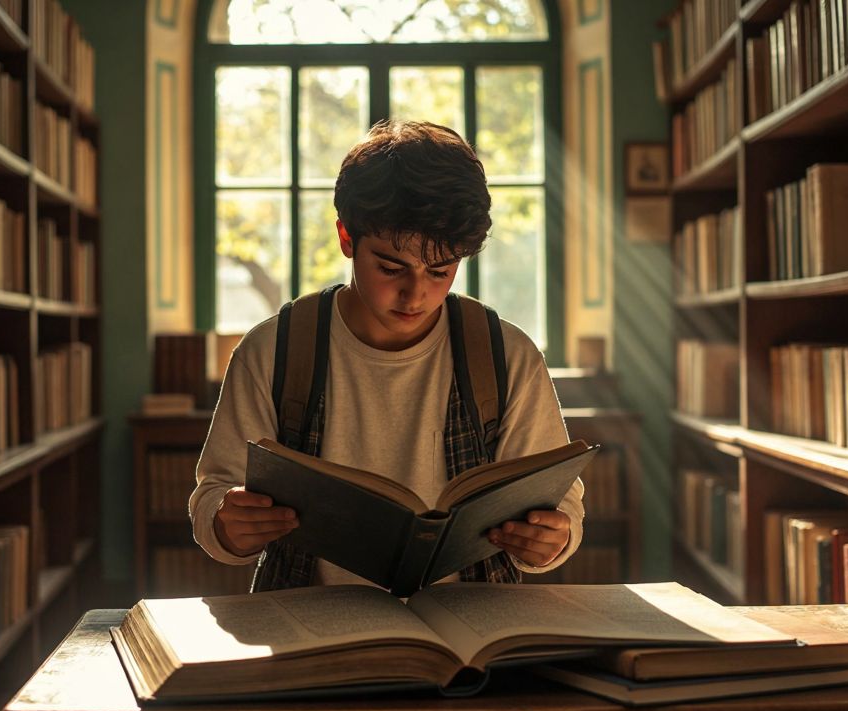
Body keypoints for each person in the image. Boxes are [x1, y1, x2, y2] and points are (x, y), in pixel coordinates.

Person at [189, 119, 584, 591]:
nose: (415, 294)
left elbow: (561, 506)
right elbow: (214, 495)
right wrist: (228, 526)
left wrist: (552, 540)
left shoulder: (507, 355)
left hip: (472, 633)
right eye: (391, 267)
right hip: (310, 630)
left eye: (440, 270)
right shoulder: (273, 350)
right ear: (346, 238)